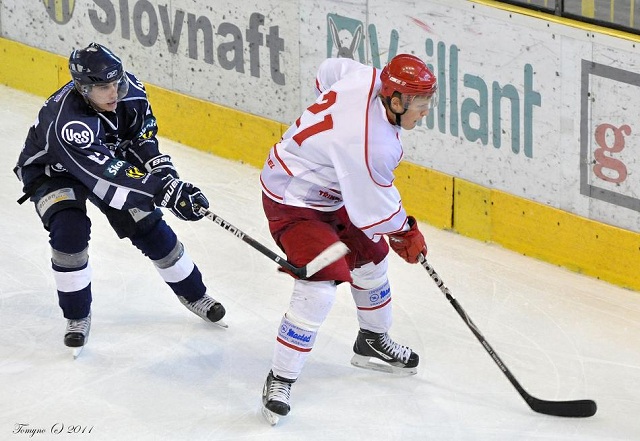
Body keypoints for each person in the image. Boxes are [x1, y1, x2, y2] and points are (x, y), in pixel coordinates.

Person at [13, 42, 226, 357]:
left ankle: (194, 294)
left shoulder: (132, 92)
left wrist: (167, 179)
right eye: (103, 87)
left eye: (117, 82)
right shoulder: (69, 123)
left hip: (107, 162)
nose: (114, 92)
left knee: (149, 227)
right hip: (53, 172)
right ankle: (76, 315)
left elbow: (141, 140)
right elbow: (107, 176)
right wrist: (159, 190)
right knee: (69, 231)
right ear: (83, 89)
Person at [258, 53, 437, 423]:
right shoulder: (374, 146)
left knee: (371, 260)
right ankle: (280, 378)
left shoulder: (366, 77)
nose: (425, 112)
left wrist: (329, 144)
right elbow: (377, 210)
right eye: (420, 104)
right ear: (396, 101)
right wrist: (407, 232)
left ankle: (372, 340)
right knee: (319, 288)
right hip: (293, 199)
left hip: (331, 190)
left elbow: (326, 72)